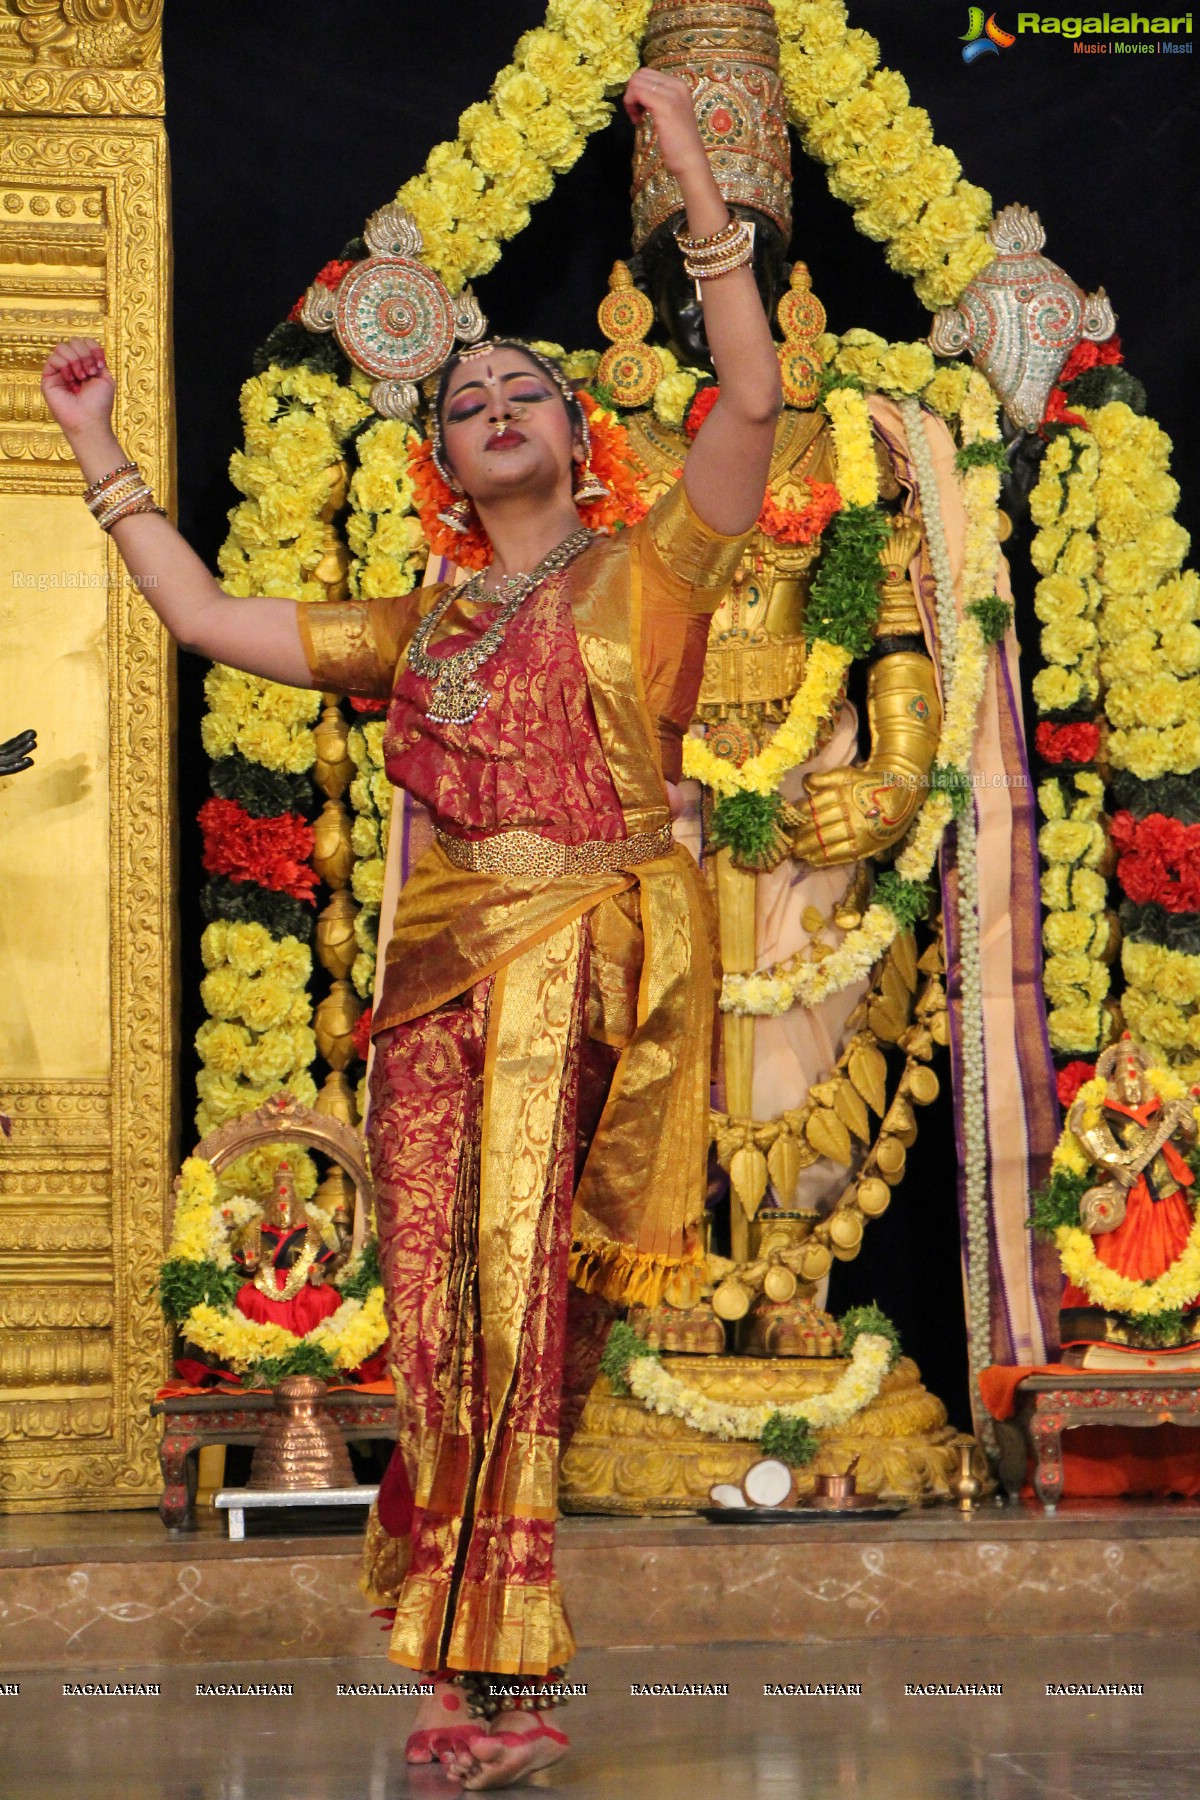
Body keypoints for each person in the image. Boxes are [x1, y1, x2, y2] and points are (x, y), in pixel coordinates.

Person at [41, 67, 781, 1791]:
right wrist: (99, 453)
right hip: (437, 1000)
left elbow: (748, 391)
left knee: (527, 1315)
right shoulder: (422, 620)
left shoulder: (651, 565)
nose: (497, 399)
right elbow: (216, 617)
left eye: (524, 385)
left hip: (578, 974)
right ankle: (461, 1663)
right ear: (445, 462)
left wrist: (690, 179)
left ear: (575, 443)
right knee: (439, 1328)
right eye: (467, 397)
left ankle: (502, 1675)